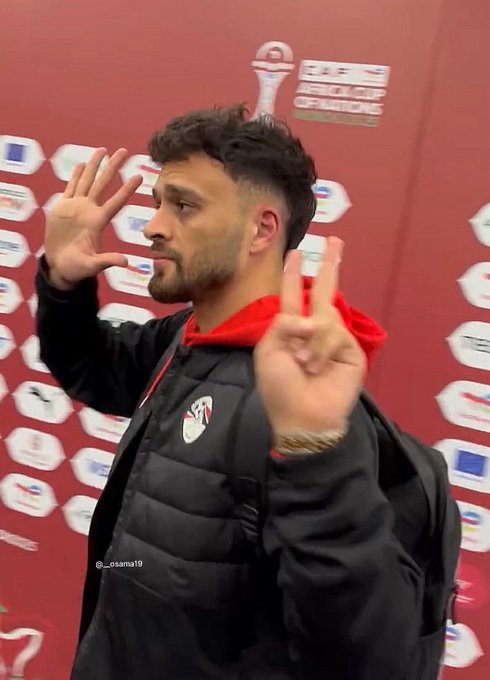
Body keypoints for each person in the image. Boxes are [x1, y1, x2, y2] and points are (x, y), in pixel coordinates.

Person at [36, 105, 422, 680]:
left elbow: (368, 656)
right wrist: (64, 284)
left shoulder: (305, 401)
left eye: (183, 205)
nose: (152, 226)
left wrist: (313, 449)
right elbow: (93, 369)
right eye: (157, 202)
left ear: (262, 229)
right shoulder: (191, 336)